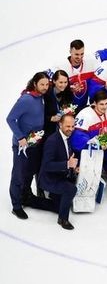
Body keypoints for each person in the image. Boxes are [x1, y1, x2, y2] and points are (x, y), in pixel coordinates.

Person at [6, 72, 53, 219]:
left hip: (35, 143)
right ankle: (16, 205)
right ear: (35, 84)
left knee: (30, 171)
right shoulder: (26, 100)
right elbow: (10, 119)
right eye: (42, 84)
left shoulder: (42, 97)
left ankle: (25, 194)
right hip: (22, 146)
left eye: (47, 84)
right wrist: (20, 137)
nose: (45, 87)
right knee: (18, 174)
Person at [38, 114, 79, 230]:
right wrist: (67, 164)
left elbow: (67, 156)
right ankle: (63, 219)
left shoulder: (67, 137)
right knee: (71, 189)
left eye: (72, 126)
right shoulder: (52, 141)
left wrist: (73, 167)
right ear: (60, 124)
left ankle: (33, 200)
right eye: (67, 126)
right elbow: (46, 165)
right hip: (49, 178)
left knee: (58, 205)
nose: (70, 129)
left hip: (60, 175)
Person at [47, 39, 99, 111]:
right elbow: (44, 80)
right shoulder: (60, 67)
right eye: (76, 54)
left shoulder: (90, 61)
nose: (80, 57)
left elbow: (104, 54)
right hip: (65, 109)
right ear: (70, 52)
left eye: (82, 54)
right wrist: (67, 88)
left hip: (83, 108)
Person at [44, 70, 74, 138]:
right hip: (48, 130)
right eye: (61, 82)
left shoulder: (68, 93)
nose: (63, 85)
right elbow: (40, 114)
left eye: (65, 82)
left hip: (63, 129)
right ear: (54, 81)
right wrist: (50, 118)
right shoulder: (46, 94)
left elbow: (71, 108)